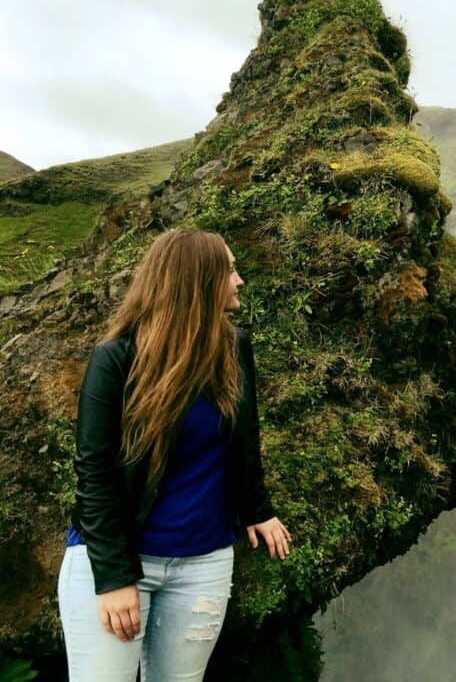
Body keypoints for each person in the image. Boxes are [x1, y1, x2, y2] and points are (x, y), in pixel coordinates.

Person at [57, 228, 292, 681]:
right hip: (116, 563)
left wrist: (257, 509)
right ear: (198, 281)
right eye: (229, 269)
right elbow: (96, 474)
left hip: (203, 564)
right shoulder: (116, 358)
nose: (239, 280)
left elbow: (244, 442)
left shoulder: (234, 348)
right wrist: (114, 578)